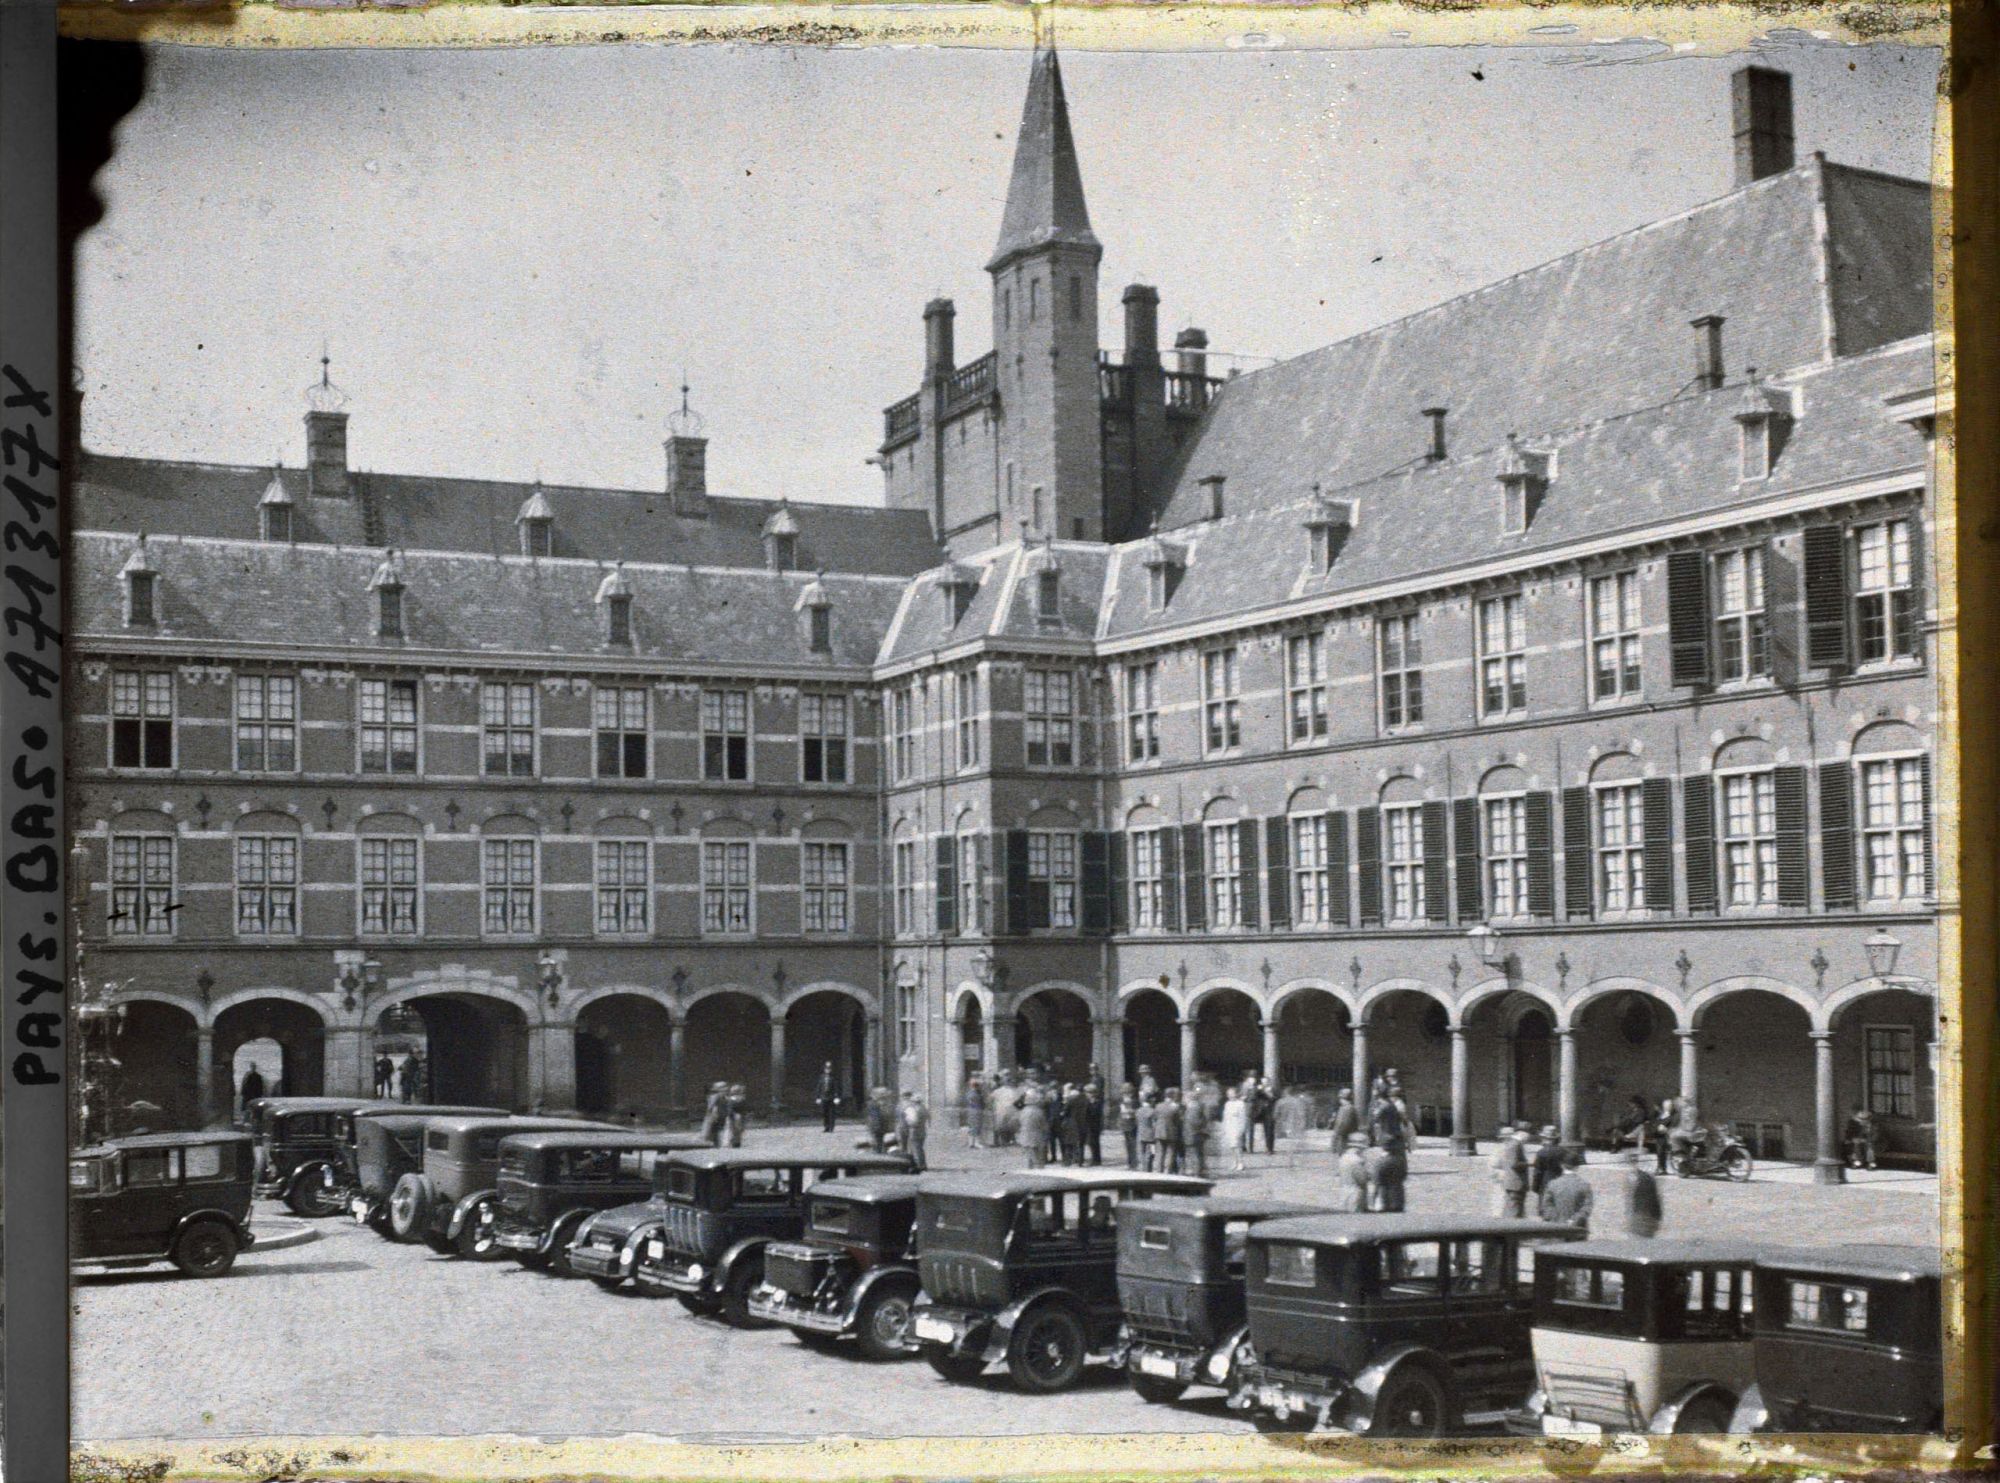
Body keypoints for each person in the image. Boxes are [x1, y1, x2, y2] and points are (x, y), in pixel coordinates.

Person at [1540, 1148, 1595, 1231]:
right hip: (1577, 1228)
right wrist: (1574, 1220)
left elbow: (1546, 1205)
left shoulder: (1553, 1184)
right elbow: (1587, 1207)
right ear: (1577, 1167)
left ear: (1562, 1166)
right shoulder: (1584, 1185)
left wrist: (1556, 1218)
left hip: (1556, 1227)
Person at [1618, 1147, 1663, 1238]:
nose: (1633, 1160)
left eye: (1635, 1157)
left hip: (1642, 1219)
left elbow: (1654, 1200)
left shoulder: (1642, 1178)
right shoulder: (1634, 1177)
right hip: (1640, 1219)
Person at [1491, 1123, 1529, 1217]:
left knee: (1510, 1205)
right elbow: (1511, 1164)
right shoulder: (1513, 1145)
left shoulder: (1508, 1146)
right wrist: (1529, 1164)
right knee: (1513, 1207)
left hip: (1506, 1180)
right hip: (1511, 1180)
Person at [1337, 1132, 1372, 1212]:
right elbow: (1362, 1180)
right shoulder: (1357, 1160)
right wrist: (1369, 1175)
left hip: (1344, 1192)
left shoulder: (1344, 1157)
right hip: (1356, 1195)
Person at [1018, 1086, 1050, 1169]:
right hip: (1037, 1133)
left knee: (1029, 1150)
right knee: (1038, 1151)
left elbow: (1019, 1121)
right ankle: (1039, 1166)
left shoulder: (1023, 1111)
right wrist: (1046, 1131)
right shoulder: (1039, 1111)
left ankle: (1030, 1165)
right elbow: (1043, 1124)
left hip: (1025, 1132)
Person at [1154, 1089, 1185, 1175]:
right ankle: (1167, 1170)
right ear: (1172, 1096)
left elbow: (1155, 1118)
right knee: (1170, 1152)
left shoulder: (1158, 1106)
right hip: (1171, 1132)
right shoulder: (1175, 1108)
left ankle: (1157, 1170)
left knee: (1159, 1152)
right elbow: (1178, 1121)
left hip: (1159, 1132)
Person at [1183, 1083, 1211, 1177]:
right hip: (1197, 1133)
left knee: (1195, 1154)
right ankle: (1199, 1171)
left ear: (1189, 1098)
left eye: (1185, 1098)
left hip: (1193, 1134)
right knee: (1198, 1153)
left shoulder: (1192, 1108)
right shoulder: (1198, 1106)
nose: (1184, 1100)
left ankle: (1197, 1173)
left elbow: (1193, 1122)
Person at [1530, 1124, 1565, 1198]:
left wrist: (1535, 1187)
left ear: (1544, 1138)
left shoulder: (1542, 1152)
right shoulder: (1563, 1151)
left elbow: (1538, 1172)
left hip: (1545, 1183)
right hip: (1561, 1183)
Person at [1221, 1086, 1250, 1173]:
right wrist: (1224, 1127)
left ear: (1236, 1094)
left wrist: (1242, 1129)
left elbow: (1243, 1117)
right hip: (1229, 1126)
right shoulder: (1227, 1104)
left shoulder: (1240, 1104)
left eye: (1232, 1093)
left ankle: (1241, 1162)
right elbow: (1225, 1117)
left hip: (1237, 1126)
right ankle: (1235, 1161)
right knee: (1231, 1146)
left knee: (1237, 1145)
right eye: (1229, 1094)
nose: (1230, 1095)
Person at [1845, 1104, 1880, 1170]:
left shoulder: (1874, 1126)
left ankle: (1871, 1163)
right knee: (1856, 1144)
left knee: (1869, 1146)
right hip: (1860, 1141)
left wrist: (1866, 1140)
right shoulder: (1855, 1125)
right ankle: (1857, 1161)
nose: (1862, 1122)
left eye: (1864, 1120)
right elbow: (1850, 1134)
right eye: (1860, 1120)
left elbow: (1876, 1136)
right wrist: (1851, 1139)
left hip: (1876, 1142)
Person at [1654, 1094, 1681, 1174]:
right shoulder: (1661, 1115)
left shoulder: (1674, 1116)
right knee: (1659, 1144)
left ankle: (1661, 1167)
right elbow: (1655, 1124)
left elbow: (1674, 1127)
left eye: (1670, 1105)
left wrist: (1666, 1129)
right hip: (1659, 1135)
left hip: (1669, 1136)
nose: (1668, 1106)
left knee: (1661, 1145)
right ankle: (1660, 1167)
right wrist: (1657, 1128)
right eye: (1666, 1105)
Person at [1083, 1070, 1106, 1165]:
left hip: (1093, 1125)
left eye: (1087, 1092)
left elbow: (1093, 1113)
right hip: (1092, 1124)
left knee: (1093, 1142)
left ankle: (1096, 1160)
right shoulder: (1092, 1101)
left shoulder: (1096, 1102)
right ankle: (1096, 1159)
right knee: (1092, 1142)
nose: (1086, 1094)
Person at [901, 1093, 929, 1171]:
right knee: (920, 1148)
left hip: (914, 1130)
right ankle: (923, 1164)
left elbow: (914, 1122)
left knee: (915, 1148)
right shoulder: (924, 1109)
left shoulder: (915, 1110)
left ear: (915, 1102)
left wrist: (908, 1121)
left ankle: (919, 1165)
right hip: (922, 1130)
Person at [991, 1075, 1019, 1148]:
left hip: (1003, 1110)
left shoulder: (1010, 1091)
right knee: (1003, 1126)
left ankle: (1003, 1141)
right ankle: (1002, 1141)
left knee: (1002, 1126)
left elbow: (991, 1099)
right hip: (1005, 1110)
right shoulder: (1011, 1091)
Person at [814, 1062, 840, 1134]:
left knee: (831, 1113)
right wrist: (817, 1097)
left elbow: (836, 1088)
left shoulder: (833, 1078)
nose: (827, 1070)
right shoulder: (821, 1077)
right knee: (825, 1113)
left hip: (831, 1097)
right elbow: (819, 1088)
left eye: (829, 1069)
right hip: (823, 1097)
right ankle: (826, 1127)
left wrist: (836, 1097)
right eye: (826, 1069)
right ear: (824, 1069)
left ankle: (831, 1127)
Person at [864, 1086, 891, 1153]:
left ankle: (880, 1150)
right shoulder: (873, 1104)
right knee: (878, 1139)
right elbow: (875, 1116)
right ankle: (878, 1152)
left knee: (880, 1139)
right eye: (884, 1094)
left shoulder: (880, 1103)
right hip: (877, 1125)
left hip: (881, 1124)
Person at [963, 1074, 987, 1148]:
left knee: (972, 1126)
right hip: (977, 1110)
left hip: (971, 1110)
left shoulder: (969, 1093)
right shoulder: (976, 1094)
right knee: (977, 1126)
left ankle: (971, 1142)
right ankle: (976, 1142)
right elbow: (982, 1102)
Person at [1137, 1093, 1159, 1172]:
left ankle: (1143, 1167)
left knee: (1142, 1152)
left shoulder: (1139, 1110)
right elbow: (1155, 1124)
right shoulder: (1152, 1111)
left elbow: (1137, 1122)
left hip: (1141, 1134)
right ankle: (1149, 1167)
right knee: (1152, 1152)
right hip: (1151, 1136)